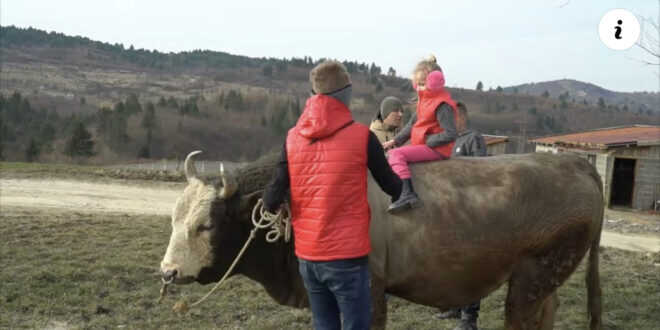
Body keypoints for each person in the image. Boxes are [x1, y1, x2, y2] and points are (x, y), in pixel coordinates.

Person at [262, 60, 402, 330]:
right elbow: (391, 186)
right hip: (348, 257)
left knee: (324, 323)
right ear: (345, 95)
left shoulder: (292, 138)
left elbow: (272, 197)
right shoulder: (362, 137)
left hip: (308, 256)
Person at [382, 55, 458, 213]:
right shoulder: (424, 101)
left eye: (423, 84)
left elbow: (451, 133)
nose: (420, 88)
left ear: (435, 82)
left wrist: (430, 141)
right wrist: (395, 141)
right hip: (425, 145)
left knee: (396, 155)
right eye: (418, 85)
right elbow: (412, 125)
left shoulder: (442, 105)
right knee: (394, 151)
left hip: (436, 149)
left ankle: (407, 193)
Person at [435, 101, 486, 330]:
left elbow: (480, 171)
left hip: (469, 211)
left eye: (450, 118)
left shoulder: (473, 138)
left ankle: (469, 318)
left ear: (461, 117)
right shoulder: (448, 139)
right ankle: (455, 307)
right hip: (449, 210)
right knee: (451, 263)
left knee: (470, 265)